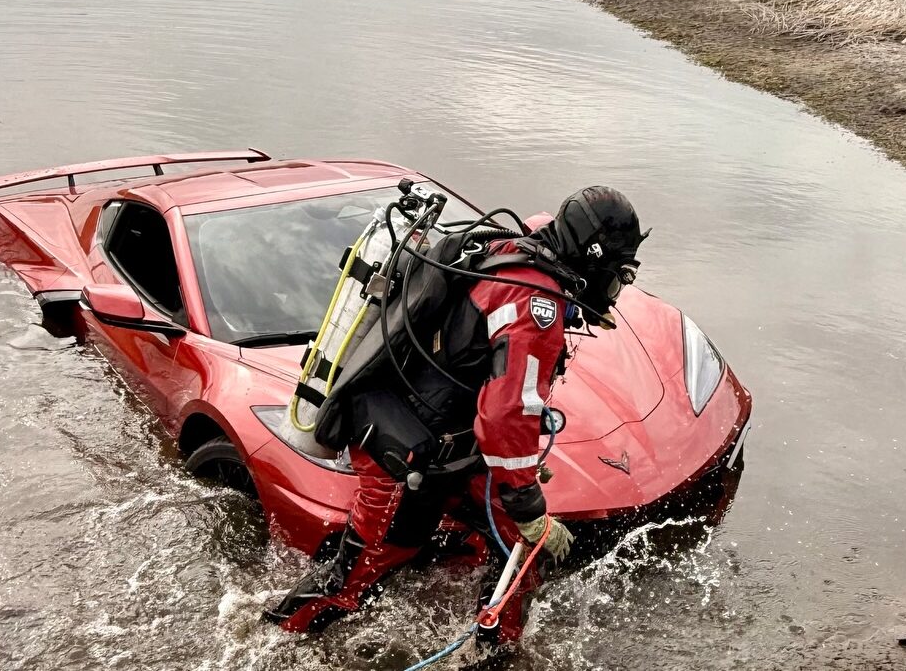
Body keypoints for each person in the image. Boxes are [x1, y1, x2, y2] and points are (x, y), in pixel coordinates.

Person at [265, 186, 647, 649]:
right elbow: (506, 415)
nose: (618, 288)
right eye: (620, 273)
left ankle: (492, 651)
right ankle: (272, 640)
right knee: (357, 576)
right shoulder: (534, 304)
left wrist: (521, 489)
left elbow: (500, 399)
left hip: (454, 442)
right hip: (405, 453)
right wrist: (527, 501)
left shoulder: (516, 251)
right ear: (595, 257)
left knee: (522, 547)